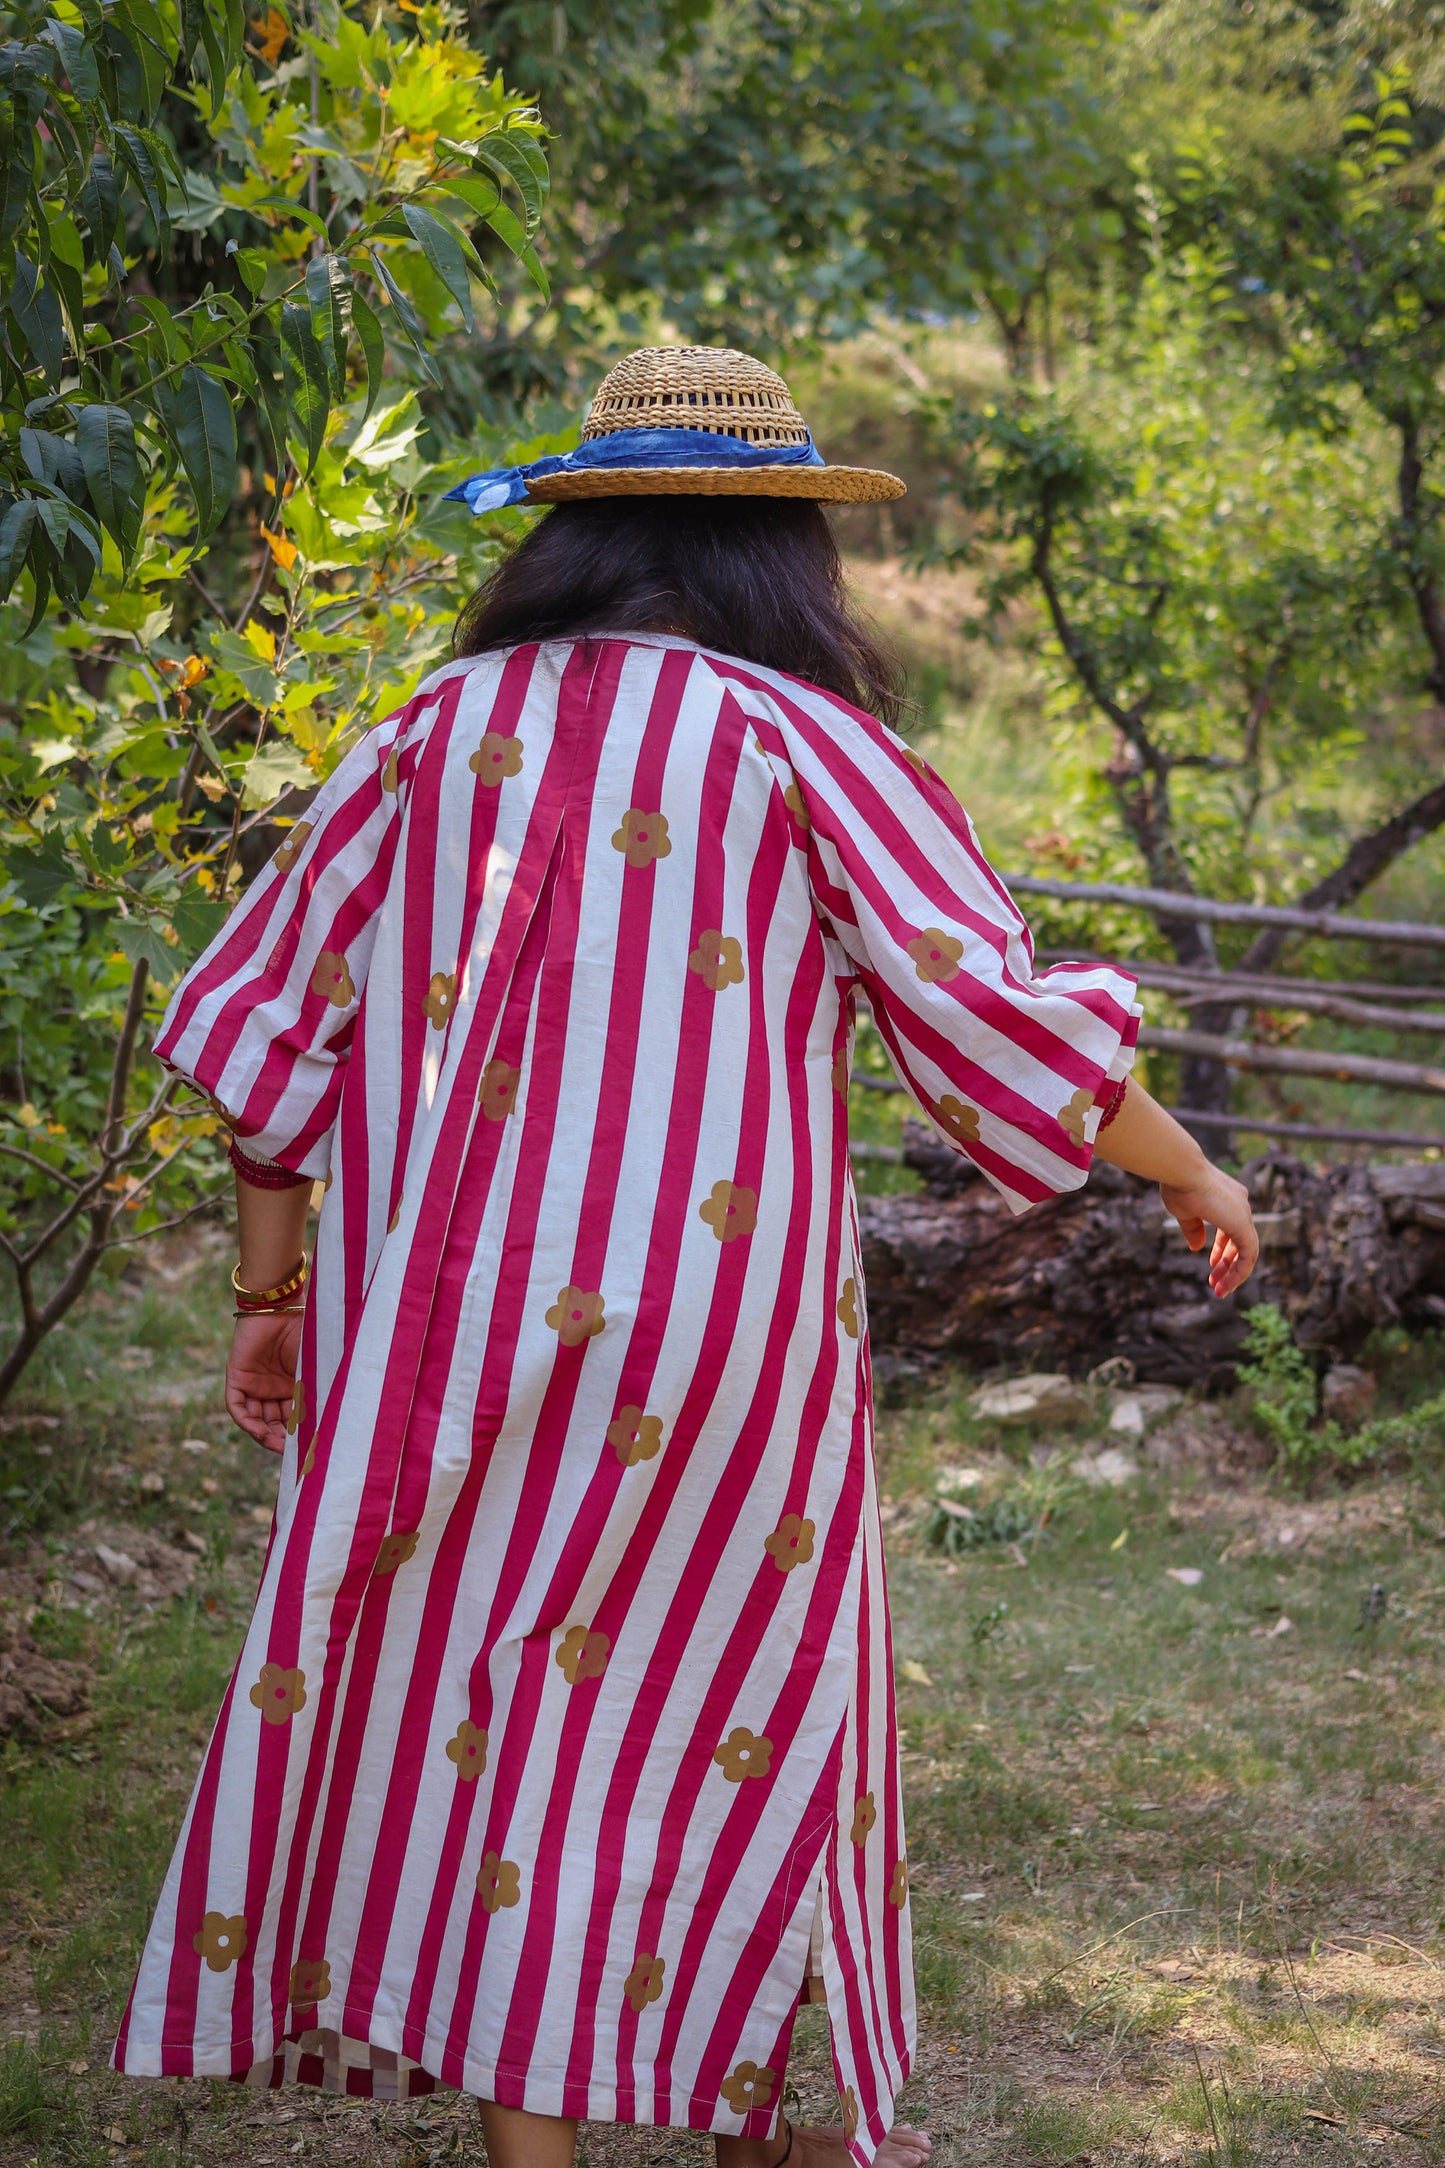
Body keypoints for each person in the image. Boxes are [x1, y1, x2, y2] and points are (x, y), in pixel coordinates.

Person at [113, 348, 1258, 2168]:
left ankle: (556, 2149)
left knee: (490, 1713)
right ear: (778, 545)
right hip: (721, 1346)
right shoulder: (810, 742)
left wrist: (269, 1302)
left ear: (577, 530)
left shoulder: (427, 729)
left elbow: (276, 1040)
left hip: (443, 1332)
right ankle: (752, 2118)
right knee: (746, 1696)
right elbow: (988, 1012)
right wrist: (1188, 1164)